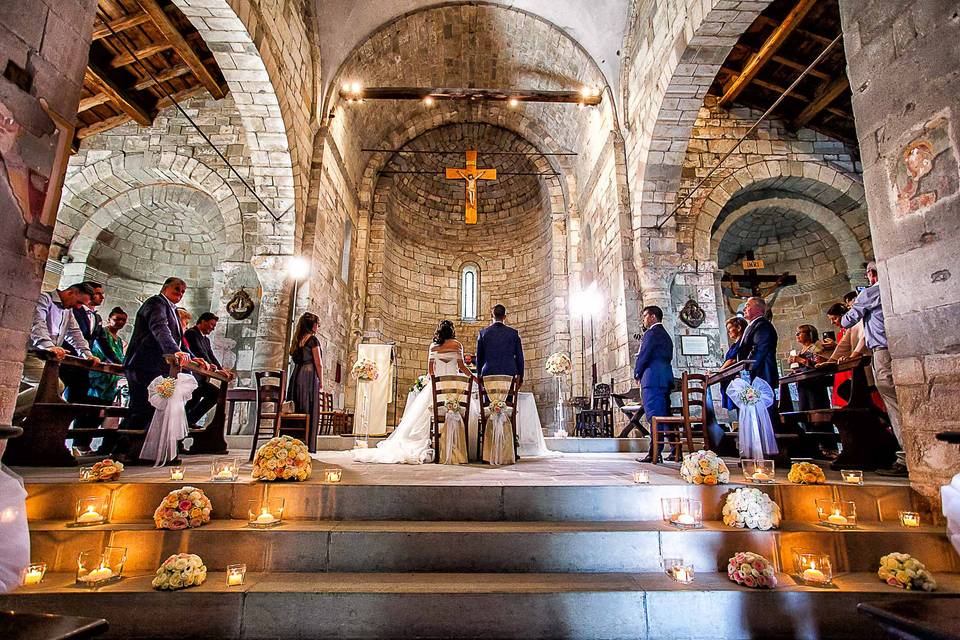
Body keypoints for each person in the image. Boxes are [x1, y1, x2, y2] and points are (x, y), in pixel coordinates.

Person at [355, 319, 476, 464]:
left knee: (422, 417)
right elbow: (462, 367)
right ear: (452, 331)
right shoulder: (457, 345)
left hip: (436, 389)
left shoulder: (433, 347)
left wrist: (434, 385)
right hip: (453, 390)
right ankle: (458, 446)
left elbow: (431, 371)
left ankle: (434, 444)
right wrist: (474, 378)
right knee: (471, 411)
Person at [842, 261, 906, 476]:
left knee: (895, 402)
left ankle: (905, 457)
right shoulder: (898, 287)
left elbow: (846, 321)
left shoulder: (870, 292)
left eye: (869, 273)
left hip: (883, 350)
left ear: (871, 273)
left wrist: (850, 309)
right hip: (904, 346)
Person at [14, 283, 100, 423]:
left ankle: (11, 425)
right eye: (79, 302)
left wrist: (87, 354)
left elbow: (74, 333)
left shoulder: (68, 311)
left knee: (24, 394)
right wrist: (48, 345)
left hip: (45, 359)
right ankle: (6, 417)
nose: (79, 307)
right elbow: (37, 323)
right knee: (54, 386)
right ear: (70, 292)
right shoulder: (44, 299)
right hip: (30, 355)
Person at [121, 278, 192, 436]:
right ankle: (123, 449)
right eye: (176, 289)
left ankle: (133, 449)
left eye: (182, 291)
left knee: (149, 408)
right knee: (141, 407)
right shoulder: (156, 303)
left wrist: (193, 359)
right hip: (142, 363)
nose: (180, 293)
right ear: (165, 288)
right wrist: (174, 351)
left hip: (154, 366)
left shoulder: (172, 309)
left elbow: (178, 340)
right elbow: (159, 328)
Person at [634, 305, 675, 464]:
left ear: (652, 317)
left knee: (654, 416)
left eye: (644, 316)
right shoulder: (665, 334)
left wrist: (637, 373)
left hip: (652, 379)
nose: (643, 320)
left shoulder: (651, 334)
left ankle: (655, 453)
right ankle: (674, 451)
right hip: (664, 378)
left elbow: (644, 356)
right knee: (665, 415)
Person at [183, 311, 233, 429]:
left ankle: (189, 420)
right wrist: (214, 369)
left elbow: (211, 356)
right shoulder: (191, 333)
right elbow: (199, 353)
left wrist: (222, 370)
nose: (212, 328)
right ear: (203, 321)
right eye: (211, 325)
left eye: (214, 326)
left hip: (201, 378)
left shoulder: (206, 340)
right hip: (192, 376)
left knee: (215, 394)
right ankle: (185, 421)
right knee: (192, 400)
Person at [736, 296, 780, 428]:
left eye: (748, 305)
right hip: (754, 375)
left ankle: (772, 442)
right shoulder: (753, 325)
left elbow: (758, 350)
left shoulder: (763, 326)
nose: (744, 308)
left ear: (758, 308)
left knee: (765, 412)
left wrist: (745, 369)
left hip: (761, 375)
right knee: (756, 412)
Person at [288, 312, 324, 453]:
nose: (318, 326)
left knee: (298, 406)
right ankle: (306, 443)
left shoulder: (298, 340)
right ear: (312, 325)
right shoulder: (313, 340)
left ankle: (295, 441)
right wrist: (321, 381)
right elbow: (318, 363)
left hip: (296, 375)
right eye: (317, 323)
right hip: (308, 376)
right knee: (309, 408)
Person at [823, 302, 867, 407]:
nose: (832, 322)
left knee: (853, 392)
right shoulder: (847, 329)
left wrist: (851, 357)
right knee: (845, 391)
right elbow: (842, 347)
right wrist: (829, 362)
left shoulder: (859, 323)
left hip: (861, 362)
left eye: (834, 319)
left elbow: (863, 340)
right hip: (847, 363)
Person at [475, 304, 525, 389]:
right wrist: (520, 379)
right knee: (507, 401)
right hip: (509, 375)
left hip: (488, 375)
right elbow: (520, 358)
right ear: (505, 317)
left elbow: (479, 358)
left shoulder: (483, 334)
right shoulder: (513, 334)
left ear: (492, 316)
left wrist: (479, 376)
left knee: (490, 401)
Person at [87, 307, 127, 407]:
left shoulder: (119, 340)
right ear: (109, 319)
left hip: (111, 381)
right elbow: (104, 352)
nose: (120, 322)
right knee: (90, 408)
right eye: (117, 319)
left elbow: (120, 357)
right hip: (98, 377)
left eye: (123, 320)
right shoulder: (103, 333)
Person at [788, 324, 830, 411]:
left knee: (815, 409)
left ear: (809, 334)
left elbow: (820, 364)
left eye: (799, 333)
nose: (797, 335)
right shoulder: (801, 350)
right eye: (797, 333)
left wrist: (801, 360)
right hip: (803, 384)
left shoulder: (815, 347)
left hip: (814, 384)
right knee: (804, 410)